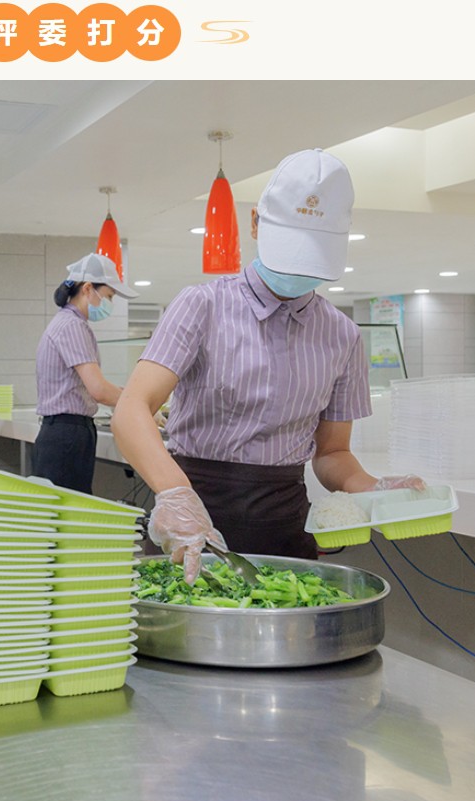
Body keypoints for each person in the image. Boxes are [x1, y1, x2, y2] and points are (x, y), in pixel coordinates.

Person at [112, 148, 423, 582]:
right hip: (194, 514)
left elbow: (332, 453)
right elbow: (131, 410)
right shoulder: (202, 306)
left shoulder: (343, 336)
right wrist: (176, 495)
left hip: (285, 524)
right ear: (256, 223)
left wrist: (370, 487)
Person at [33, 253, 138, 493]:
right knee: (67, 509)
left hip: (63, 432)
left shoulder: (67, 322)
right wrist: (137, 403)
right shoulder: (72, 326)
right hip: (67, 435)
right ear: (88, 288)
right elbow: (98, 390)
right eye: (109, 296)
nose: (109, 303)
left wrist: (124, 396)